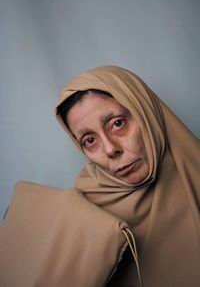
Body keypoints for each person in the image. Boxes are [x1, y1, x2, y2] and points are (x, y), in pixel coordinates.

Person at [0, 65, 199, 287]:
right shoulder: (80, 211)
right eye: (89, 140)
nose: (110, 149)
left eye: (117, 124)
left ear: (146, 114)